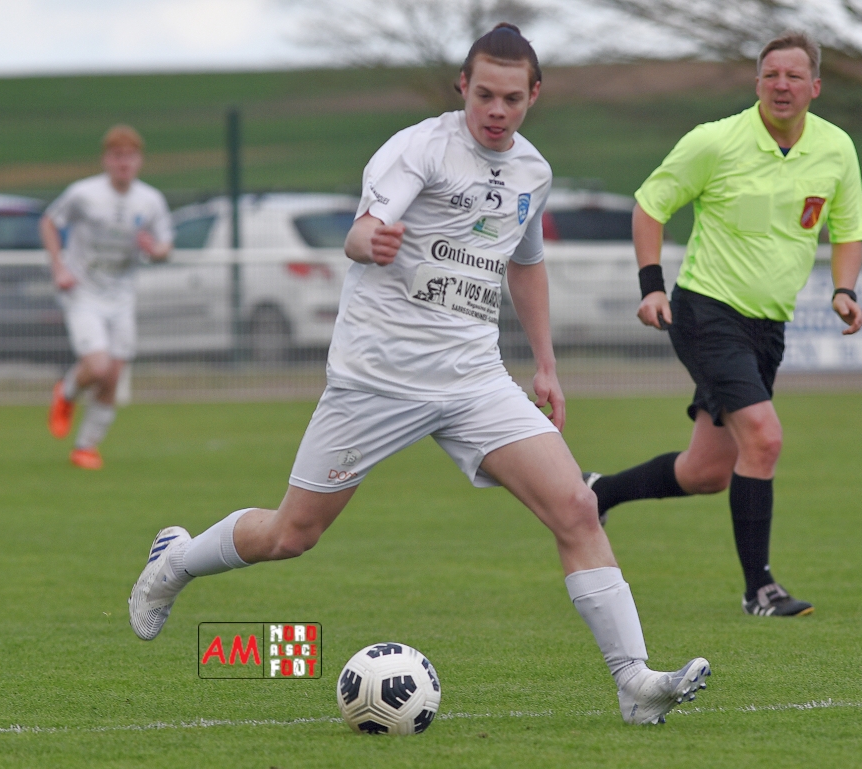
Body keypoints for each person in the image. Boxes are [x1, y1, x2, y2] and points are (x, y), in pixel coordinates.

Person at [129, 24, 710, 726]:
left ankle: (634, 682)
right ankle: (178, 561)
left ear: (534, 95)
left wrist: (546, 364)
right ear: (463, 86)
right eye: (484, 94)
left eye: (512, 98)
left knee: (577, 508)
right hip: (377, 377)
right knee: (292, 534)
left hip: (474, 380)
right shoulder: (419, 149)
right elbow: (361, 229)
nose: (496, 110)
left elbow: (525, 265)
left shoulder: (533, 172)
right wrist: (368, 241)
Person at [584, 32, 862, 618]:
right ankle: (759, 589)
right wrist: (651, 286)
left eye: (794, 76)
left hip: (768, 328)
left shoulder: (837, 148)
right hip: (707, 312)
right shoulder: (715, 141)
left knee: (707, 472)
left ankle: (598, 492)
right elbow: (650, 206)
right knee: (764, 438)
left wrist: (844, 289)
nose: (782, 85)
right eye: (771, 75)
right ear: (756, 82)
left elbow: (848, 230)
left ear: (815, 87)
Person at [42, 125, 172, 470]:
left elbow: (165, 246)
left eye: (130, 156)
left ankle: (86, 447)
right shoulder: (84, 194)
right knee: (97, 366)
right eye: (117, 156)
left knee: (113, 374)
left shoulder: (150, 200)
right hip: (83, 291)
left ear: (139, 160)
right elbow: (49, 222)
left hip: (122, 296)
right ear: (106, 160)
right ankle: (67, 392)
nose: (123, 163)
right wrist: (59, 267)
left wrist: (155, 250)